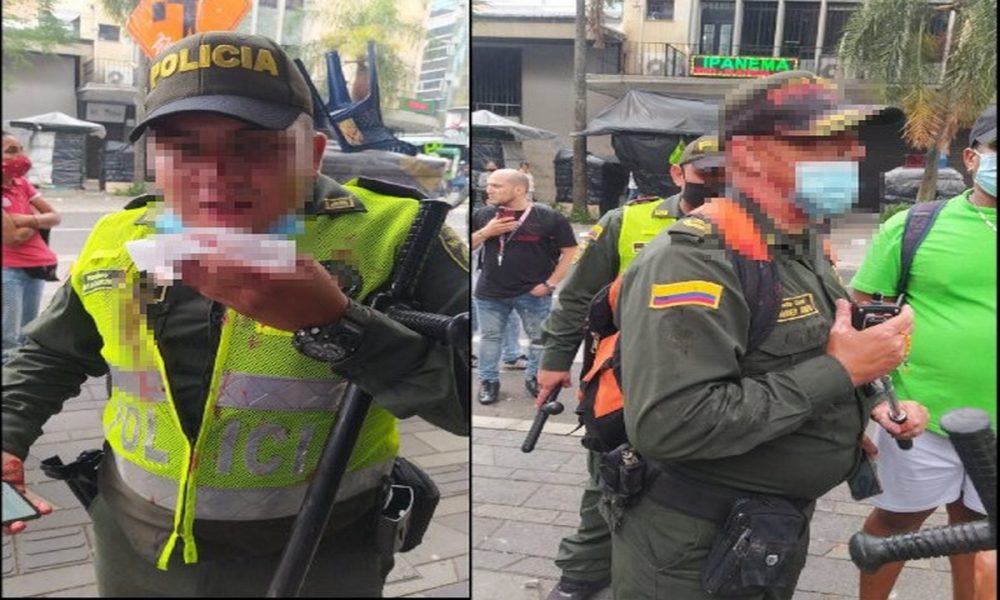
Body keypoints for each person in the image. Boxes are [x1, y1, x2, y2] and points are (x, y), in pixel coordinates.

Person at [1, 32, 469, 597]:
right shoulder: (118, 235)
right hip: (134, 546)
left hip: (321, 552)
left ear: (314, 153)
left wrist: (338, 325)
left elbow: (468, 406)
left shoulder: (400, 236)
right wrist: (8, 437)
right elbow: (51, 354)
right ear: (154, 159)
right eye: (182, 146)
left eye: (254, 145)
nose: (215, 173)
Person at [612, 70, 930, 599]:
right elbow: (671, 423)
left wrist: (872, 394)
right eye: (825, 142)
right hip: (695, 545)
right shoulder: (696, 259)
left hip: (764, 530)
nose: (852, 155)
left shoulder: (797, 244)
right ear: (750, 154)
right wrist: (842, 371)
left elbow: (809, 350)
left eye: (852, 141)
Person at [536, 136, 724, 600]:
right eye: (707, 174)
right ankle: (585, 568)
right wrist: (556, 360)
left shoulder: (757, 227)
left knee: (696, 483)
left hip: (716, 380)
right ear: (679, 174)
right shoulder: (627, 221)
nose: (718, 184)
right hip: (624, 377)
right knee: (609, 474)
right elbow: (578, 295)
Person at [852, 104, 996, 600]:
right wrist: (872, 400)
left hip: (996, 430)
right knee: (896, 523)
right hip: (920, 418)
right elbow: (861, 314)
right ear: (974, 158)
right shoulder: (916, 226)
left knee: (978, 529)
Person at [471, 168, 577, 405]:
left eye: (496, 185)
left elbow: (569, 251)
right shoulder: (484, 214)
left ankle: (534, 378)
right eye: (489, 185)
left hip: (533, 292)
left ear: (519, 189)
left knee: (539, 339)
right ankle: (488, 381)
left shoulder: (548, 217)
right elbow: (465, 246)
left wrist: (550, 284)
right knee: (490, 338)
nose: (489, 189)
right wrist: (487, 232)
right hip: (490, 291)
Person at [2, 130, 61, 365]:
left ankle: (22, 384)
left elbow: (55, 216)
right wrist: (37, 220)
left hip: (35, 269)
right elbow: (11, 238)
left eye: (20, 150)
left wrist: (24, 219)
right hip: (8, 272)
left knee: (28, 334)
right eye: (11, 151)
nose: (21, 157)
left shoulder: (22, 184)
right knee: (7, 341)